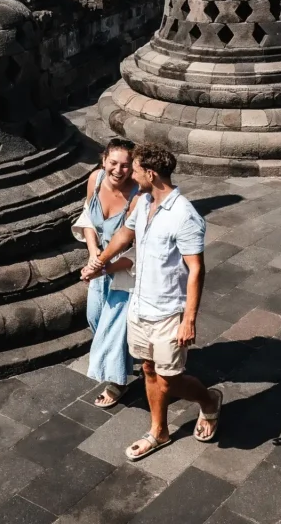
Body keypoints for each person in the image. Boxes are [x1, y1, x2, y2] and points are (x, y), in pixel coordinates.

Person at [87, 143, 222, 460]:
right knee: (148, 370)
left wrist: (188, 319)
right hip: (139, 307)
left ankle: (209, 400)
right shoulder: (144, 201)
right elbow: (124, 236)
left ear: (150, 173)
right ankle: (158, 431)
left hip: (167, 313)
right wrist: (99, 263)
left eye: (134, 170)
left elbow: (196, 269)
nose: (129, 175)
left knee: (170, 379)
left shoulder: (185, 216)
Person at [74, 138, 139, 408]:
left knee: (114, 328)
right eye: (113, 162)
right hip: (99, 262)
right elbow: (88, 218)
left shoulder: (137, 196)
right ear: (104, 161)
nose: (118, 170)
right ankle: (128, 357)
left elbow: (131, 244)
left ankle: (118, 381)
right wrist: (92, 254)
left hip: (124, 268)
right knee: (95, 318)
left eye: (125, 165)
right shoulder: (95, 179)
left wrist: (101, 265)